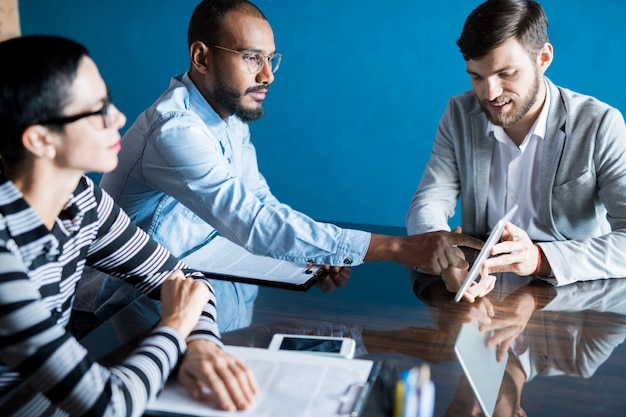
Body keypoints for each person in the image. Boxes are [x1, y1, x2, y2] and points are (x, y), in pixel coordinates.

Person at [75, 0, 483, 332]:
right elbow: (252, 221)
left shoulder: (228, 117)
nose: (267, 75)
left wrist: (308, 256)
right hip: (124, 309)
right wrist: (398, 247)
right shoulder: (174, 132)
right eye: (252, 57)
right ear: (201, 56)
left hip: (201, 283)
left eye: (271, 59)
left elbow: (260, 201)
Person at [0, 35, 257, 416]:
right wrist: (174, 329)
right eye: (96, 110)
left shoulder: (81, 198)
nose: (118, 118)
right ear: (39, 139)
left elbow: (183, 279)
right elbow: (109, 406)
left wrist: (200, 343)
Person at [406, 0, 626, 302]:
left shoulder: (600, 124)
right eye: (477, 77)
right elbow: (428, 202)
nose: (489, 94)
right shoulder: (458, 112)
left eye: (506, 74)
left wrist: (538, 258)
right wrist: (445, 255)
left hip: (575, 298)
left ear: (544, 58)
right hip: (482, 295)